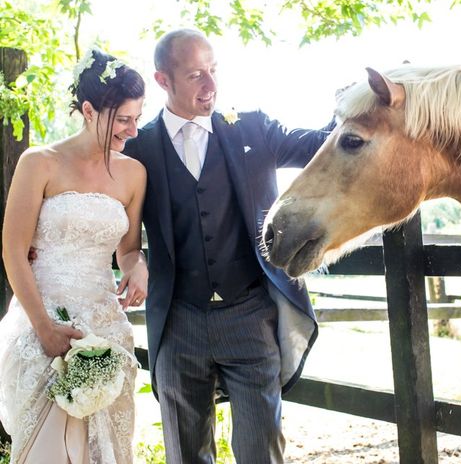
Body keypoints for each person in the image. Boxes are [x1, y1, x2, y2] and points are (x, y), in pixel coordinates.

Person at [124, 28, 332, 463]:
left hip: (249, 314)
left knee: (262, 448)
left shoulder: (251, 127)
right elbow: (108, 216)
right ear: (163, 80)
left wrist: (357, 106)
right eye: (196, 74)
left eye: (214, 70)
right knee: (186, 452)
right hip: (178, 320)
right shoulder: (138, 148)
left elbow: (320, 144)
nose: (211, 85)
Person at [0, 48, 148, 463]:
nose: (133, 130)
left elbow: (129, 249)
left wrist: (140, 267)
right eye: (123, 119)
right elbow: (13, 249)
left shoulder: (134, 174)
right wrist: (45, 330)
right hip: (43, 320)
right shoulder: (39, 163)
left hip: (105, 326)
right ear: (88, 109)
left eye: (137, 118)